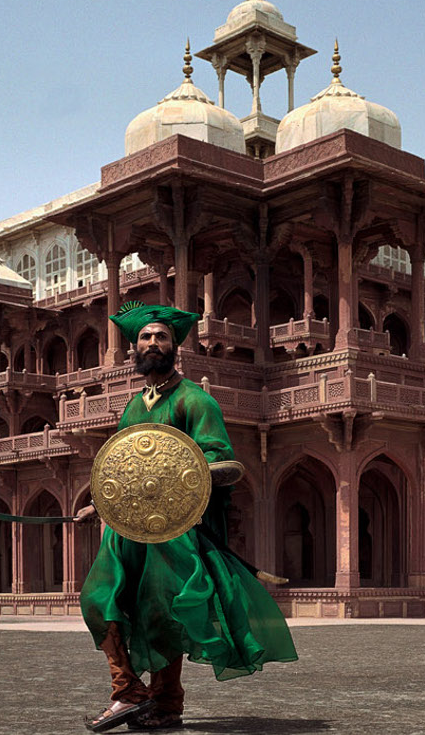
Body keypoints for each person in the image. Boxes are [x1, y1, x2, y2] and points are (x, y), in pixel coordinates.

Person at [79, 303, 297, 732]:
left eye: (161, 337)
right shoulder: (133, 409)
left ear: (174, 346)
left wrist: (183, 476)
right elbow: (125, 470)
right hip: (129, 530)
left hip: (177, 532)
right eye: (145, 337)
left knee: (162, 613)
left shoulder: (196, 401)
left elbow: (223, 464)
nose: (153, 343)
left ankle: (163, 704)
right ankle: (131, 693)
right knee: (98, 599)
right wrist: (100, 505)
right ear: (134, 348)